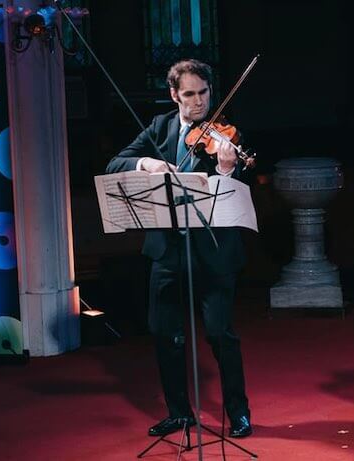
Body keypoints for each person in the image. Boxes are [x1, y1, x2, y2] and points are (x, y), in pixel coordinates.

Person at [105, 59, 252, 438]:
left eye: (204, 93)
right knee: (164, 333)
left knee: (220, 333)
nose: (200, 102)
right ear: (174, 95)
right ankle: (179, 412)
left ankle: (239, 412)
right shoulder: (161, 128)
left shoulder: (223, 134)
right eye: (190, 94)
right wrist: (147, 162)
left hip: (214, 250)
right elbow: (114, 163)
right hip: (168, 252)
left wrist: (225, 169)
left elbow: (233, 187)